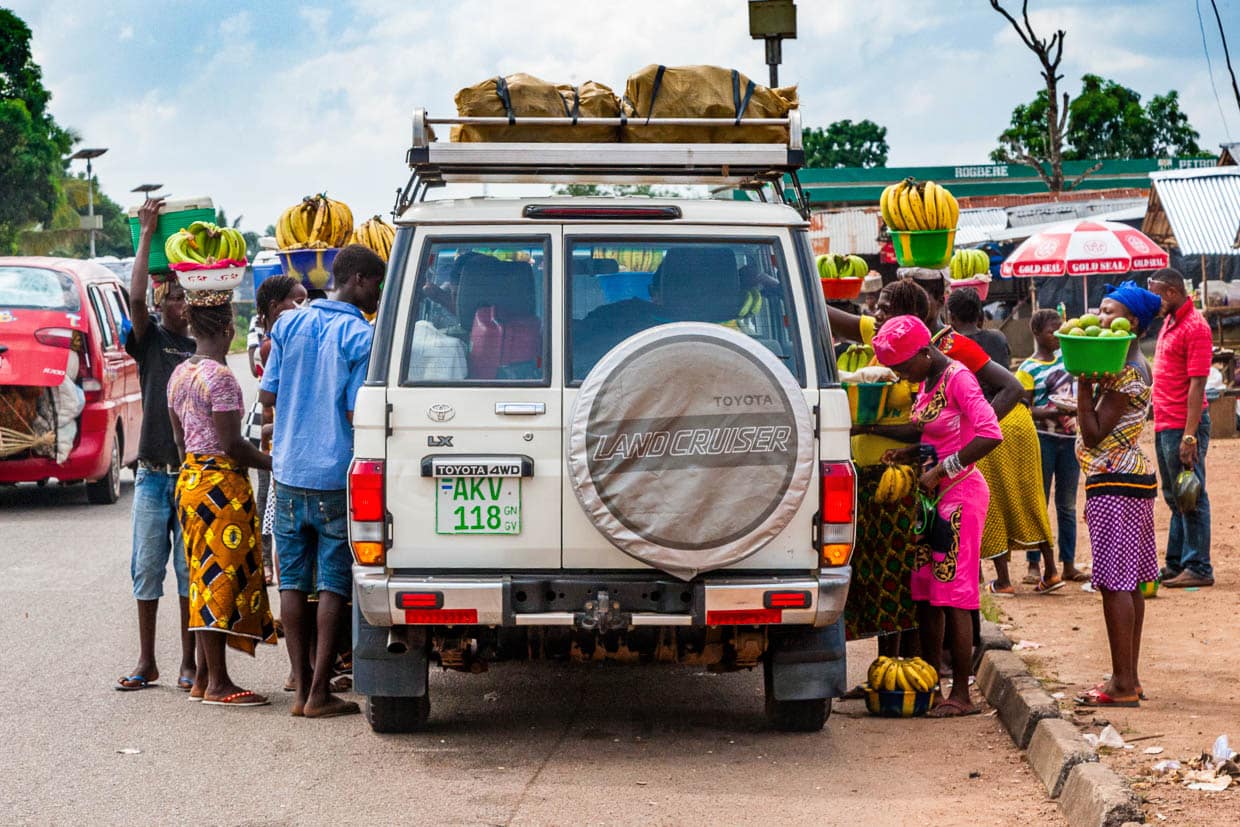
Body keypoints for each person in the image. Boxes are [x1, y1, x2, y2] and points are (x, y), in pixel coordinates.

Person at [258, 244, 384, 719]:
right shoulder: (360, 336)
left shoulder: (288, 323)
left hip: (288, 471)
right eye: (374, 283)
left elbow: (268, 394)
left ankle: (297, 691)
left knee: (291, 582)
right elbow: (356, 411)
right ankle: (319, 692)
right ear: (357, 280)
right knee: (333, 582)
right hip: (334, 476)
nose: (375, 293)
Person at [873, 315, 1003, 717]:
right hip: (931, 499)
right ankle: (930, 681)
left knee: (955, 596)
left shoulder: (959, 378)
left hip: (960, 495)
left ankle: (962, 694)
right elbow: (934, 435)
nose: (901, 375)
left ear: (925, 352)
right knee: (927, 593)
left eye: (903, 367)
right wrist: (909, 454)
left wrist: (940, 471)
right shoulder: (927, 383)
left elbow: (988, 432)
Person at [169, 297, 278, 706]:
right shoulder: (222, 379)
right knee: (219, 580)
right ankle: (217, 683)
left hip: (191, 481)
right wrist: (273, 464)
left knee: (202, 576)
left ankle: (202, 679)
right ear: (228, 329)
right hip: (220, 488)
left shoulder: (180, 373)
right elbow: (233, 444)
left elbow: (181, 440)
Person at [116, 198, 197, 693]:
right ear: (162, 304)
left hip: (189, 475)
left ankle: (190, 662)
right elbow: (134, 298)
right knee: (147, 571)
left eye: (189, 298)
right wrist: (147, 235)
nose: (182, 305)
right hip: (150, 474)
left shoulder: (200, 348)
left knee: (190, 575)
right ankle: (147, 660)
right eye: (174, 298)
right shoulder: (149, 340)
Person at [1073, 282, 1162, 708]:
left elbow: (1092, 435)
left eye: (1109, 312)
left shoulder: (1125, 372)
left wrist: (1083, 385)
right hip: (1132, 479)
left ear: (1134, 323)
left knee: (1115, 584)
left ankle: (1122, 683)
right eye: (1101, 311)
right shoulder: (1133, 365)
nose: (1101, 319)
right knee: (1130, 585)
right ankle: (1128, 676)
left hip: (1115, 482)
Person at [946, 287, 1059, 595]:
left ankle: (1004, 581)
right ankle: (1050, 570)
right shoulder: (997, 339)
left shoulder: (952, 345)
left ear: (951, 316)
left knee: (991, 501)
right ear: (981, 313)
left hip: (983, 423)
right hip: (1018, 419)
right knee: (1031, 494)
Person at [1147, 268, 1214, 588]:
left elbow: (1197, 386)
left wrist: (1189, 435)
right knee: (1175, 495)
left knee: (1192, 494)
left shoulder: (1195, 327)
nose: (1153, 301)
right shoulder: (1170, 323)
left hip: (1183, 423)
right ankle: (1176, 563)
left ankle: (1199, 566)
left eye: (1156, 294)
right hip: (1165, 422)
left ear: (1172, 293)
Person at [243, 276, 307, 585]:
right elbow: (267, 392)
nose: (300, 308)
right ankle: (264, 562)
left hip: (281, 423)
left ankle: (271, 565)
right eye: (294, 301)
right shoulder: (267, 340)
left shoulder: (287, 335)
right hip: (268, 424)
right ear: (272, 307)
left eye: (303, 301)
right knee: (267, 495)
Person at [1019, 310, 1086, 583]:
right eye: (1051, 332)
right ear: (1036, 333)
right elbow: (1024, 408)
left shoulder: (1068, 360)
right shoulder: (1027, 369)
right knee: (1039, 502)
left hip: (1070, 442)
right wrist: (1049, 413)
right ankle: (1033, 565)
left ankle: (1068, 564)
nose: (1057, 336)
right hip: (1042, 441)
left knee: (1067, 505)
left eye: (1059, 331)